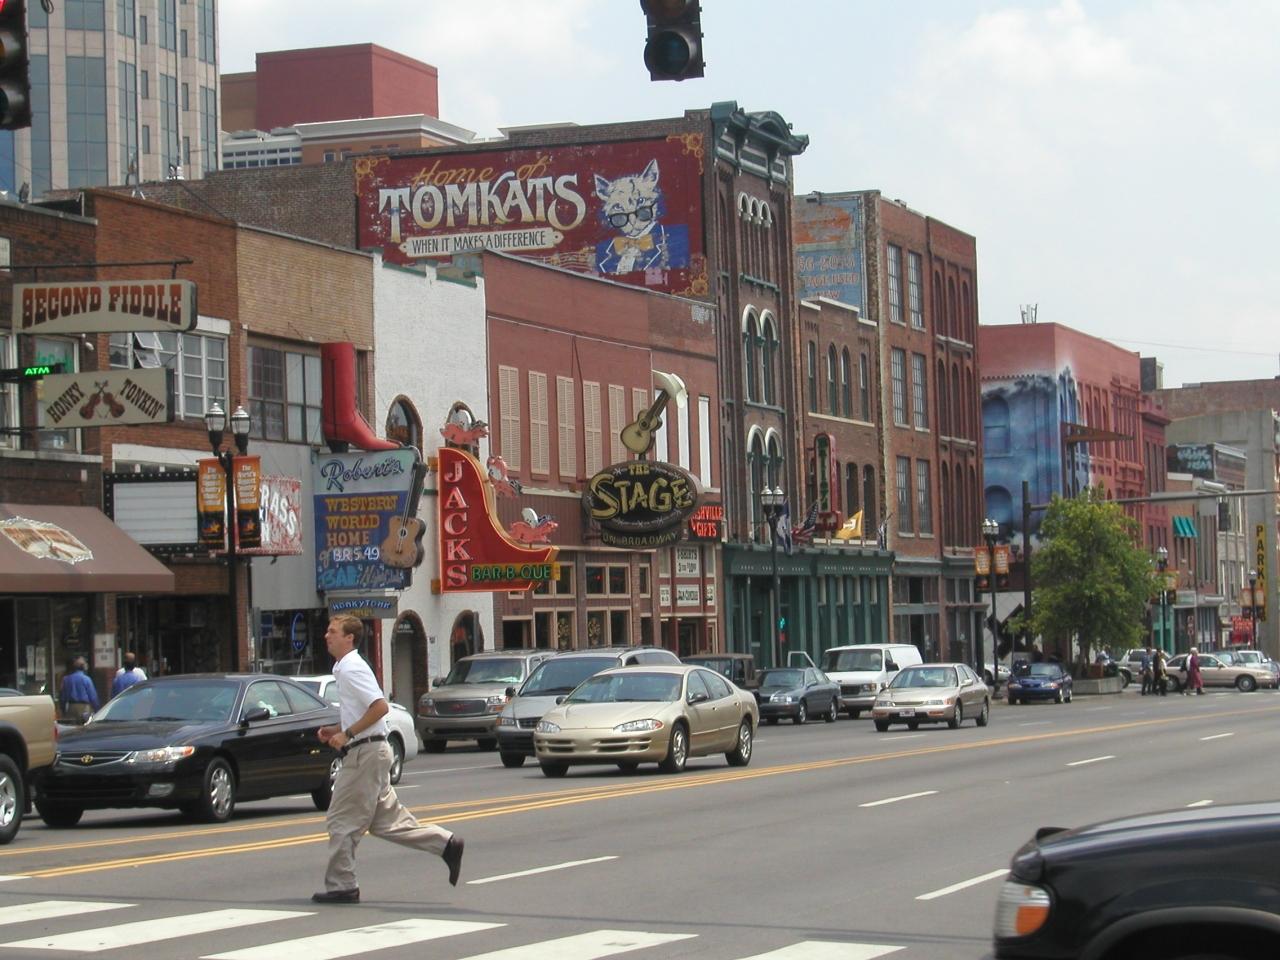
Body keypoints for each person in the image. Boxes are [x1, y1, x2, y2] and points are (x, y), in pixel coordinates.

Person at [313, 615, 464, 904]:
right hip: (371, 751)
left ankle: (343, 886)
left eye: (332, 631)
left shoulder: (352, 667)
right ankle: (446, 844)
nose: (326, 636)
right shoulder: (345, 667)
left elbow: (380, 707)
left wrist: (347, 735)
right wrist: (337, 729)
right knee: (386, 823)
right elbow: (363, 711)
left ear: (349, 638)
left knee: (341, 820)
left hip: (365, 754)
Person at [59, 657, 99, 724]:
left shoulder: (66, 679)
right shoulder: (86, 679)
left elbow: (63, 697)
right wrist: (97, 709)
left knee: (71, 727)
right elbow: (93, 697)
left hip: (71, 707)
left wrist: (63, 710)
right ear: (83, 667)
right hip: (84, 708)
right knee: (85, 726)